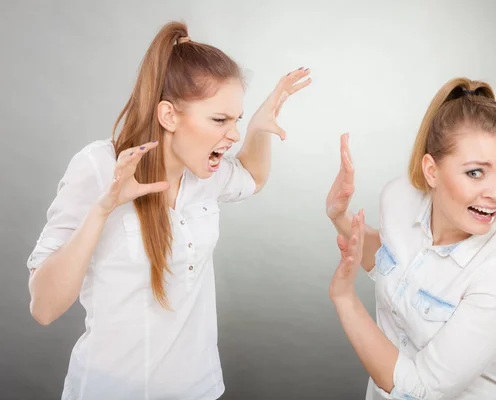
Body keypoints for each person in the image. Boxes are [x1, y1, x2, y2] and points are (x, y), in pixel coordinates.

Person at [26, 21, 311, 400]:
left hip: (199, 389)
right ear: (169, 115)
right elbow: (43, 307)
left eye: (236, 120)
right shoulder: (99, 166)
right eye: (219, 119)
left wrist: (258, 127)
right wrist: (102, 211)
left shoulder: (205, 173)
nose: (234, 134)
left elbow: (253, 178)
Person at [326, 78, 496, 400]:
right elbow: (390, 263)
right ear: (431, 170)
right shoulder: (399, 198)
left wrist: (345, 299)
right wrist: (339, 217)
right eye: (476, 172)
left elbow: (420, 390)